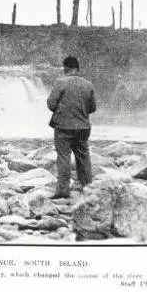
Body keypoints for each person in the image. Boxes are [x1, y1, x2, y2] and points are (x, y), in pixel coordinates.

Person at [46, 56, 97, 199]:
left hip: (63, 127)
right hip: (83, 127)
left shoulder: (60, 82)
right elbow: (92, 108)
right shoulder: (88, 85)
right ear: (78, 68)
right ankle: (88, 188)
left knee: (64, 157)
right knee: (83, 157)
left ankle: (63, 191)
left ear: (66, 67)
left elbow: (51, 104)